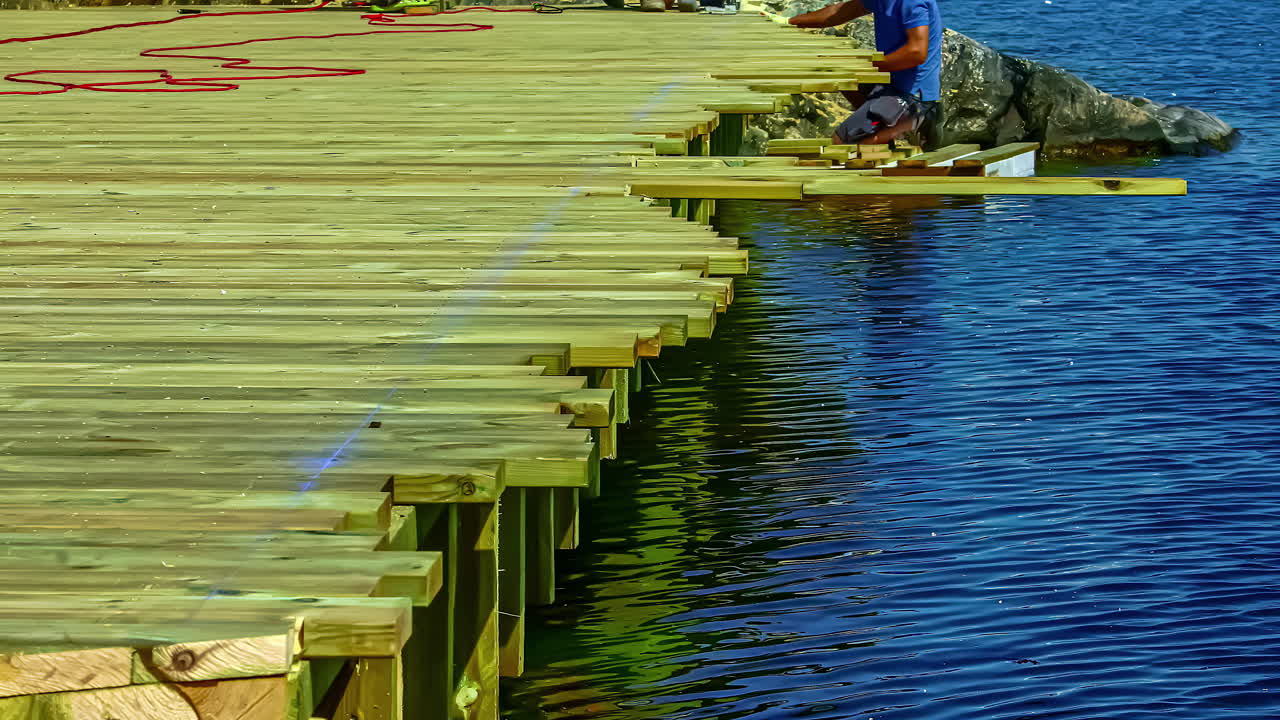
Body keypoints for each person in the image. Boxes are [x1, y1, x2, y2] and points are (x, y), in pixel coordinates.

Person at [787, 0, 942, 146]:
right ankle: (880, 130)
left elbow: (916, 53)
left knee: (840, 146)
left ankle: (915, 121)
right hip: (890, 84)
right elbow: (837, 12)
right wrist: (791, 22)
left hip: (913, 96)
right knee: (839, 71)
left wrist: (867, 66)